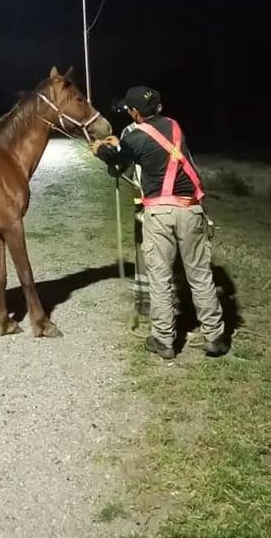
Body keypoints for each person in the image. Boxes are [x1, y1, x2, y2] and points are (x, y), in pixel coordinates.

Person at [91, 86, 229, 360]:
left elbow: (119, 162)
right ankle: (214, 337)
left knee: (160, 277)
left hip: (160, 213)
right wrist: (120, 145)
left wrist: (101, 150)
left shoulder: (136, 138)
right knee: (200, 275)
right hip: (191, 209)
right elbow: (155, 148)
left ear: (133, 113)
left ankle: (164, 340)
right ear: (160, 108)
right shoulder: (176, 128)